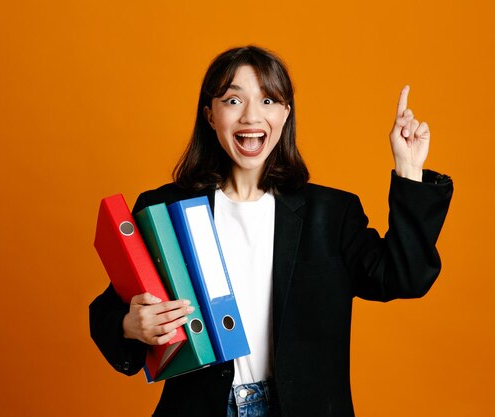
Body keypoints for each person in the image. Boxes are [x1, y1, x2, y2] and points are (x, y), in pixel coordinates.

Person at [90, 45, 453, 417]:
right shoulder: (164, 209)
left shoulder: (330, 214)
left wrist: (409, 171)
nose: (251, 116)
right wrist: (128, 324)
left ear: (285, 114)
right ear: (210, 116)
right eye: (233, 101)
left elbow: (403, 277)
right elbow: (108, 309)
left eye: (267, 100)